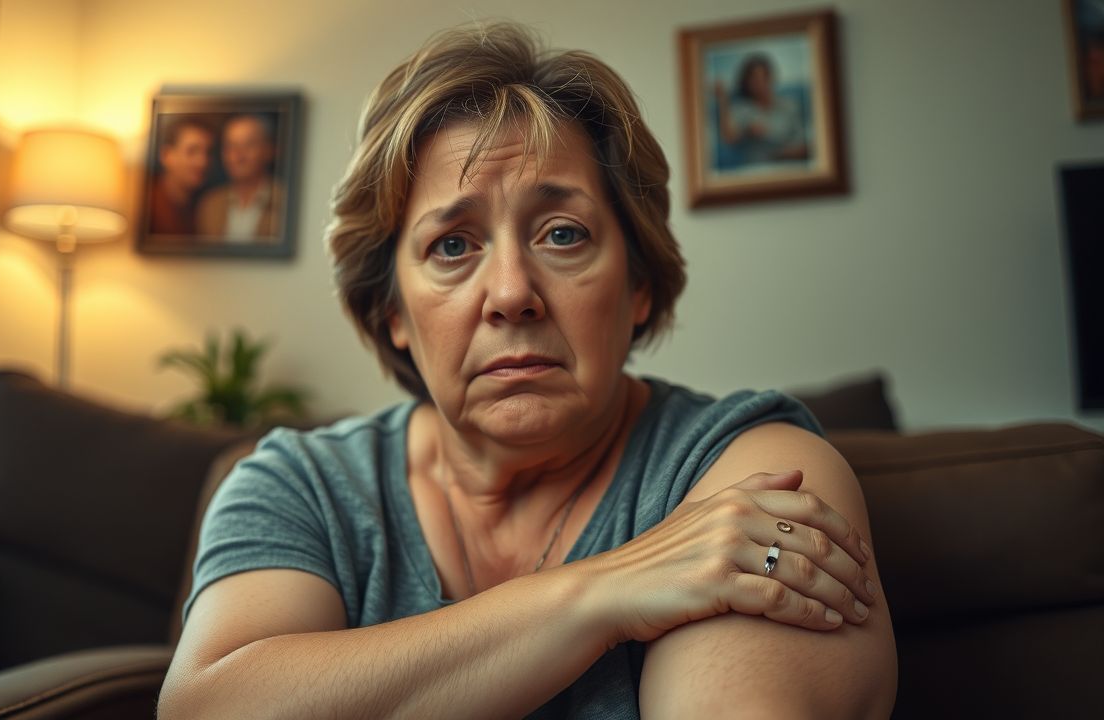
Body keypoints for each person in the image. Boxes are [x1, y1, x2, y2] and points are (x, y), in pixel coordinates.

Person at [161, 22, 896, 719]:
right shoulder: (299, 486)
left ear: (638, 284)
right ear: (393, 313)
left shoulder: (750, 475)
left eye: (563, 234)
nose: (511, 293)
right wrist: (600, 592)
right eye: (452, 245)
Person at [195, 114, 284, 242]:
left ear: (269, 150)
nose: (238, 155)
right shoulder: (209, 204)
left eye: (249, 145)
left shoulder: (285, 202)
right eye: (230, 146)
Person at [714, 53, 810, 166]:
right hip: (756, 170)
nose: (758, 84)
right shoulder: (742, 109)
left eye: (762, 78)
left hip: (789, 166)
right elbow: (728, 138)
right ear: (746, 83)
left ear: (771, 78)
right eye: (753, 80)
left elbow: (804, 144)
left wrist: (779, 154)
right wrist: (723, 100)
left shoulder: (790, 105)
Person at [149, 116, 213, 235]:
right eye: (192, 151)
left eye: (208, 152)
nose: (203, 162)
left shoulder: (206, 207)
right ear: (166, 156)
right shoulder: (148, 204)